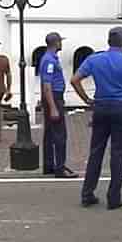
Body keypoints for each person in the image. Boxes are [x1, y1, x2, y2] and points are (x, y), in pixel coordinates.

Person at [71, 27, 122, 209]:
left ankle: (87, 194)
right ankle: (114, 197)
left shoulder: (95, 59)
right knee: (118, 153)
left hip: (101, 107)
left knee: (96, 151)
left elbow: (74, 80)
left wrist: (87, 100)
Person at [39, 32, 78, 179]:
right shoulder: (49, 60)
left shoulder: (49, 58)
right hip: (54, 97)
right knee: (59, 134)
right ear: (55, 43)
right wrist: (53, 107)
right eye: (60, 41)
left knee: (49, 133)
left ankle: (49, 165)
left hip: (52, 97)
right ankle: (59, 168)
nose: (61, 44)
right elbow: (47, 85)